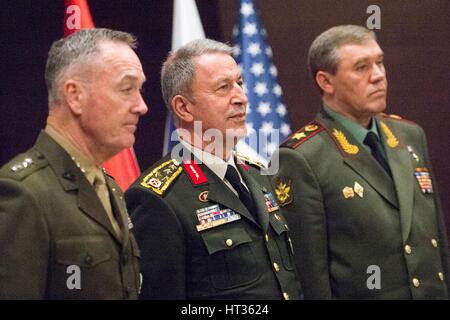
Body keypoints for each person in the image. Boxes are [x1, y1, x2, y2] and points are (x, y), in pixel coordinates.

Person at [272, 25, 450, 299]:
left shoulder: (409, 135)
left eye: (380, 63)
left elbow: (437, 243)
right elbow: (310, 276)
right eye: (361, 67)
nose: (378, 76)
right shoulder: (303, 157)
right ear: (326, 82)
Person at [125, 39, 302, 300]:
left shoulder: (257, 173)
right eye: (223, 88)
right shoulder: (158, 198)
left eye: (240, 84)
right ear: (184, 107)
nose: (241, 98)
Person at [0, 28, 148, 299]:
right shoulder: (24, 193)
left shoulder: (109, 187)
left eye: (139, 90)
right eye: (127, 89)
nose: (142, 106)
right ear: (75, 96)